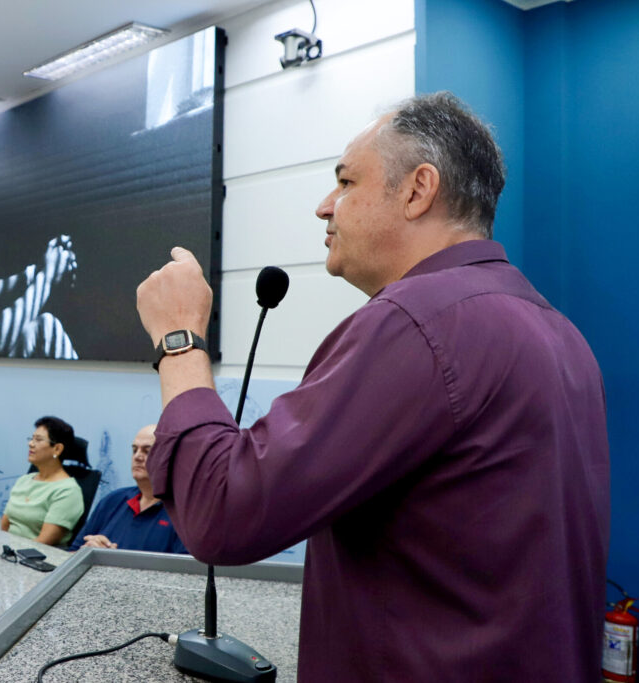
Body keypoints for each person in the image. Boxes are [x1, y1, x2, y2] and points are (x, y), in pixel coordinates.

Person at [135, 92, 609, 681]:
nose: (324, 207)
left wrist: (179, 339)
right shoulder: (561, 335)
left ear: (417, 190)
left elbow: (223, 511)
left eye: (345, 182)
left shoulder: (417, 323)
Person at [70, 424, 186, 554]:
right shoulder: (112, 500)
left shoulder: (184, 515)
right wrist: (86, 552)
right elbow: (70, 554)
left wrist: (108, 560)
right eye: (134, 450)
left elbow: (184, 573)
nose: (137, 456)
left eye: (147, 451)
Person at [1, 416, 84, 547]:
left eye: (38, 440)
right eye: (31, 438)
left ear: (57, 449)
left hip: (34, 559)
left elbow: (43, 543)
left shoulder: (68, 491)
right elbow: (3, 527)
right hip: (6, 550)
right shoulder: (24, 480)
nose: (31, 444)